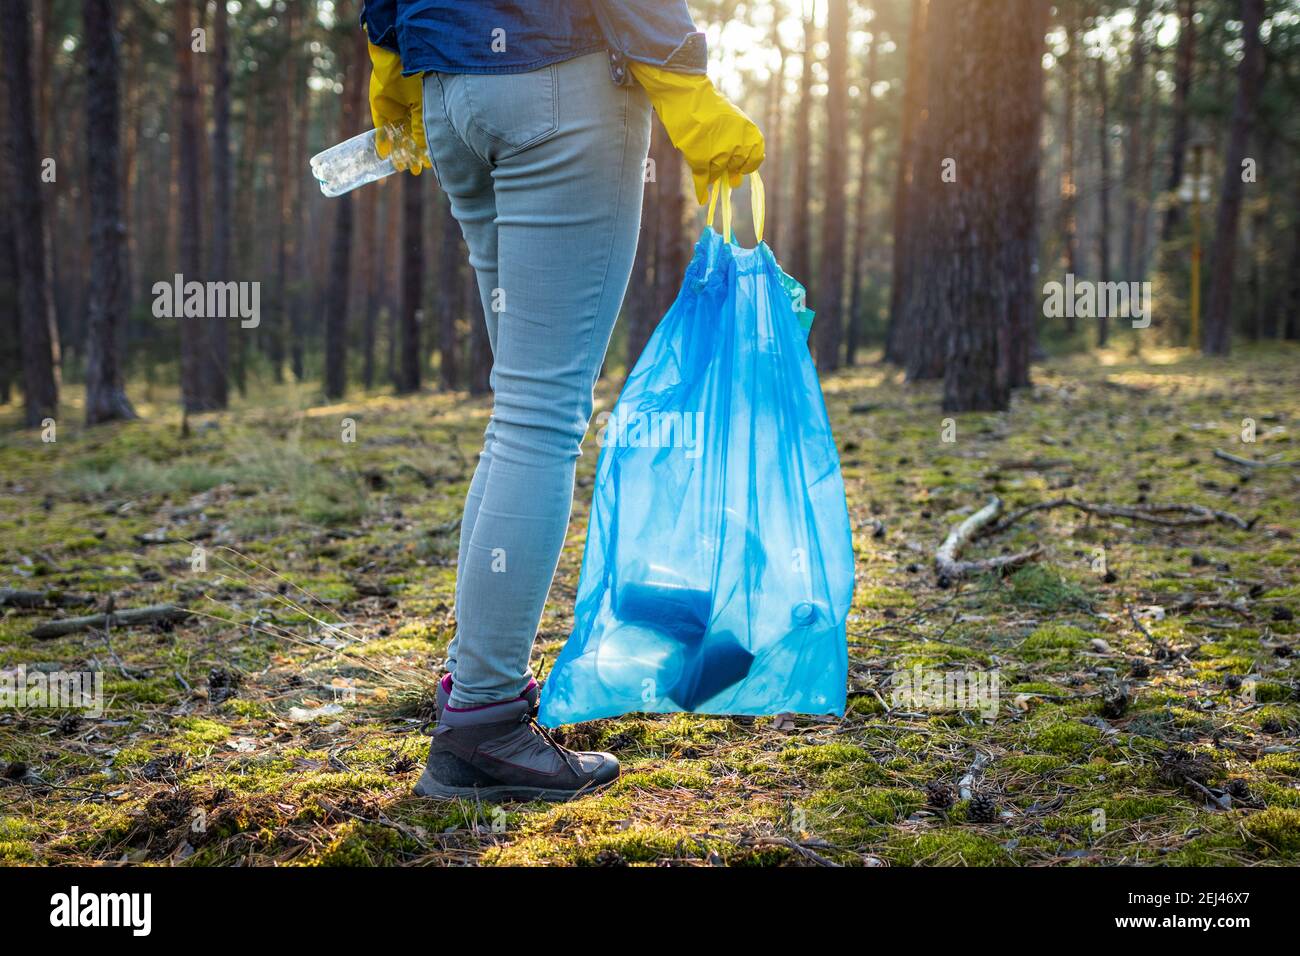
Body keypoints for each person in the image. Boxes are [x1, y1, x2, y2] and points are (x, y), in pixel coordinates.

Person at [360, 0, 764, 801]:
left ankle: (475, 699)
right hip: (558, 83)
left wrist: (389, 62)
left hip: (450, 93)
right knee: (539, 416)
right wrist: (685, 82)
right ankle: (482, 723)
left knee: (520, 412)